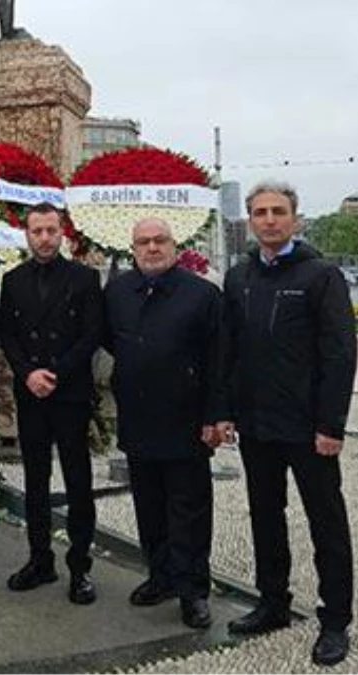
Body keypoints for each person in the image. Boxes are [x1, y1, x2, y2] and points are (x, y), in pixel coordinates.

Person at [218, 181, 358, 667]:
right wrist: (228, 411)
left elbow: (340, 355)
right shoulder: (239, 278)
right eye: (260, 212)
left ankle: (335, 620)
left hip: (308, 427)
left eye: (279, 211)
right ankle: (272, 601)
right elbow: (229, 352)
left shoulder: (321, 276)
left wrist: (331, 425)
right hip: (257, 425)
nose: (270, 220)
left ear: (295, 218)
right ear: (251, 221)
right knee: (265, 516)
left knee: (327, 523)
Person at [104, 217, 225, 629]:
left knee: (189, 511)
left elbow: (218, 361)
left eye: (160, 241)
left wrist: (215, 415)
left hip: (187, 420)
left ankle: (193, 592)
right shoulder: (118, 292)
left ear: (175, 246)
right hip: (138, 418)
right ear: (132, 248)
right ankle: (161, 576)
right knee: (149, 507)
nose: (152, 248)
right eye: (143, 242)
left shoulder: (202, 295)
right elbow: (110, 340)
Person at [0, 203, 101, 605]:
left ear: (63, 234)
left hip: (69, 391)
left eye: (50, 230)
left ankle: (80, 568)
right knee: (35, 480)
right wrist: (27, 374)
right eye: (36, 231)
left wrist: (54, 372)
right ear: (27, 234)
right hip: (31, 393)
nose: (44, 238)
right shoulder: (13, 279)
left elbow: (91, 334)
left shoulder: (85, 278)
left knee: (78, 482)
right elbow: (8, 334)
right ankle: (40, 560)